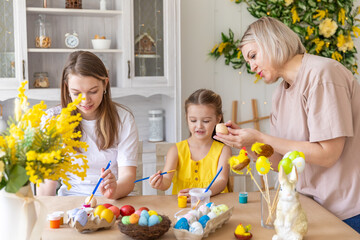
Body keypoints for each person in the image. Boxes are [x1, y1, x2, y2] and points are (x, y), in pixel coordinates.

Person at [214, 16, 360, 233]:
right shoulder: (279, 95)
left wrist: (261, 137)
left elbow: (328, 155)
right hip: (307, 208)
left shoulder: (322, 74)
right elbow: (280, 162)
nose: (252, 66)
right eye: (248, 62)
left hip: (346, 213)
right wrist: (249, 145)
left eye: (253, 56)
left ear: (272, 41)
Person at [37, 51, 139, 199]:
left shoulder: (123, 119)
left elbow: (128, 177)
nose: (85, 100)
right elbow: (47, 181)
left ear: (105, 84)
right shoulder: (52, 119)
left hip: (115, 200)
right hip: (71, 199)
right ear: (67, 88)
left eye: (93, 91)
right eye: (77, 93)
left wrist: (114, 190)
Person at [149, 89, 231, 201]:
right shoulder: (176, 150)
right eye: (193, 120)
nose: (199, 126)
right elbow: (167, 181)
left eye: (206, 121)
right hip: (184, 209)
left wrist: (202, 193)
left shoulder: (223, 150)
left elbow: (221, 181)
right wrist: (159, 182)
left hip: (214, 208)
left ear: (218, 119)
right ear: (187, 118)